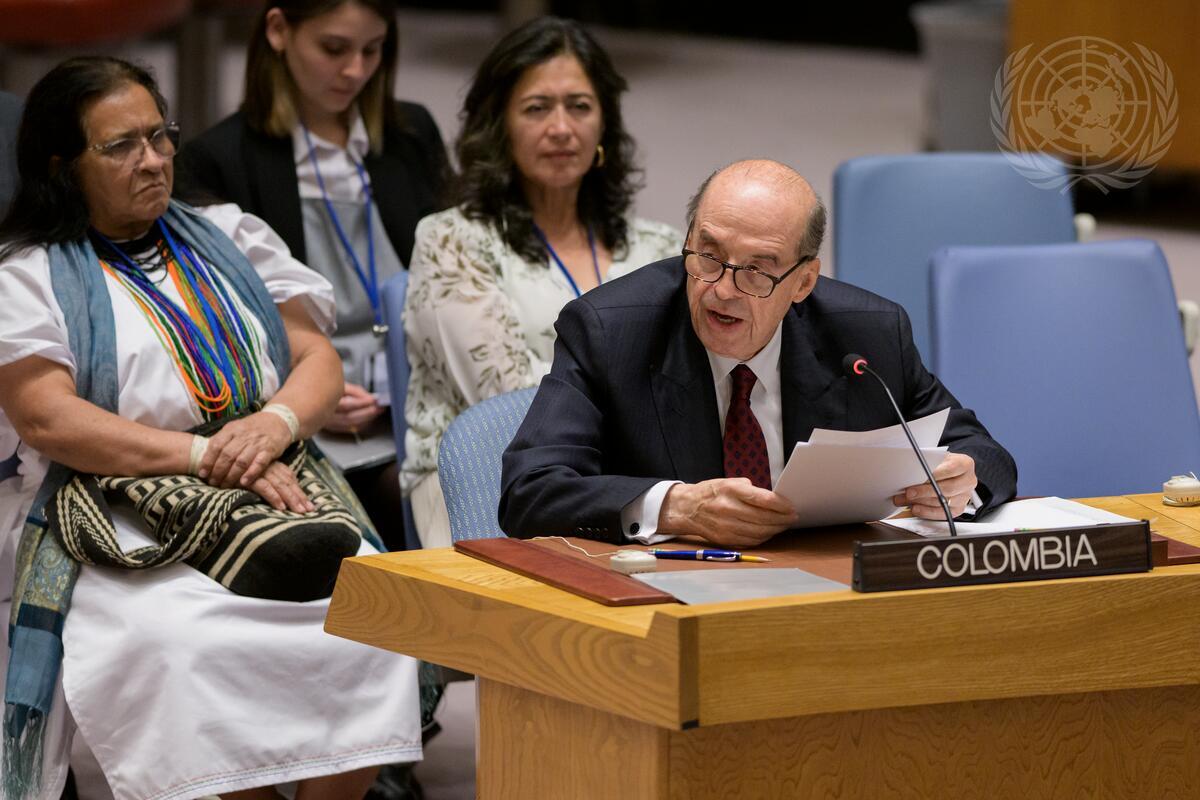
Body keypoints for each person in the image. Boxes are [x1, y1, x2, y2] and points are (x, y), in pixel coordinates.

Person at [0, 57, 423, 800]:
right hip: (113, 510)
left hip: (274, 479)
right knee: (181, 642)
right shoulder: (26, 274)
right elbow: (47, 416)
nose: (154, 160)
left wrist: (274, 423)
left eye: (159, 135)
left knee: (372, 614)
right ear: (63, 167)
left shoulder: (230, 235)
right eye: (121, 146)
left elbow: (315, 356)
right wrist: (204, 455)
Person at [499, 159, 1018, 545]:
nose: (723, 290)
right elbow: (530, 490)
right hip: (668, 599)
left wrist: (961, 481)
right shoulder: (611, 330)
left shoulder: (867, 334)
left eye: (756, 271)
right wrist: (676, 506)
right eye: (709, 255)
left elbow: (983, 454)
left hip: (829, 593)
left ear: (804, 282)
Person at [178, 0, 448, 548]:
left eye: (372, 50)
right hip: (302, 402)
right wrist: (308, 400)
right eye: (334, 48)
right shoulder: (219, 159)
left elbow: (452, 276)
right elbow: (222, 324)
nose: (355, 70)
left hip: (420, 391)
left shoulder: (411, 133)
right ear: (278, 30)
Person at [402, 16, 680, 547]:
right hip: (484, 482)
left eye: (579, 106)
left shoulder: (660, 249)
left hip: (633, 486)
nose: (561, 128)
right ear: (499, 126)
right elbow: (505, 403)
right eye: (536, 108)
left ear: (604, 123)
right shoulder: (451, 240)